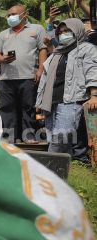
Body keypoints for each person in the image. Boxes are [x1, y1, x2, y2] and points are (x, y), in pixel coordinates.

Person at [36, 18, 97, 161]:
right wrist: (39, 102)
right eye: (61, 32)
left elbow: (92, 71)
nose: (63, 34)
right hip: (51, 102)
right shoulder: (57, 53)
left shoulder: (86, 49)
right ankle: (65, 168)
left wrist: (94, 94)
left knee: (61, 136)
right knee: (54, 138)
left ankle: (49, 167)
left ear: (77, 31)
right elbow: (45, 79)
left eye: (67, 31)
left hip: (71, 100)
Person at [0, 4, 48, 143]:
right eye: (9, 15)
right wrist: (2, 58)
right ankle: (9, 137)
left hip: (28, 76)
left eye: (13, 14)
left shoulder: (36, 29)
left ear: (24, 15)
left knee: (28, 108)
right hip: (6, 78)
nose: (10, 17)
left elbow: (43, 49)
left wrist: (41, 70)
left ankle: (28, 136)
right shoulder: (3, 34)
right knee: (7, 109)